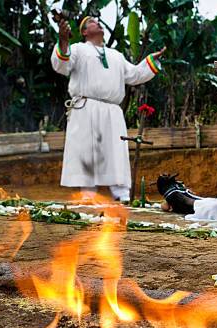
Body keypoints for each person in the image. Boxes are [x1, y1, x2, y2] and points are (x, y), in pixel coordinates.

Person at [51, 16, 166, 202]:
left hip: (112, 110)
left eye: (97, 20)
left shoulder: (116, 56)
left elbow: (135, 75)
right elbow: (61, 65)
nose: (97, 22)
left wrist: (151, 60)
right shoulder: (79, 49)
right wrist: (64, 40)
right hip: (85, 106)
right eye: (92, 22)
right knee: (86, 150)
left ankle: (121, 195)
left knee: (116, 151)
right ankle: (88, 194)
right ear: (84, 32)